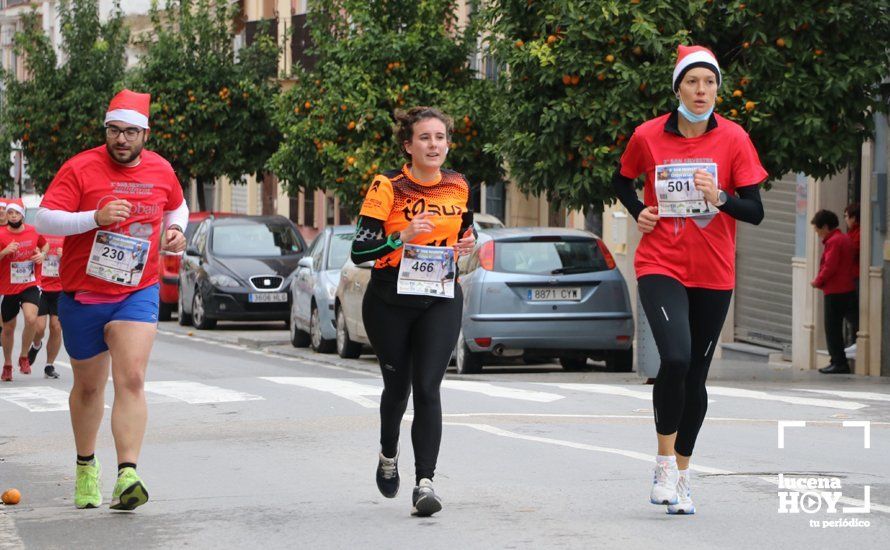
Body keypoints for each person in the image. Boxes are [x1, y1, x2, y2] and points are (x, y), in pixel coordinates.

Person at [613, 45, 767, 515]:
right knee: (675, 358)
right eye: (693, 82)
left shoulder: (735, 139)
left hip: (714, 271)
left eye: (710, 83)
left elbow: (755, 211)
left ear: (719, 88)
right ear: (677, 87)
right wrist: (639, 212)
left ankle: (682, 474)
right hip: (661, 263)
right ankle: (661, 465)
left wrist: (720, 195)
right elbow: (622, 180)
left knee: (697, 376)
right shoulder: (648, 135)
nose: (702, 91)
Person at [34, 89, 188, 511]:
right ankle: (86, 466)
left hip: (137, 290)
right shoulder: (80, 168)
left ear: (145, 134)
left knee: (133, 378)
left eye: (130, 132)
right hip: (82, 294)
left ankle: (127, 474)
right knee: (88, 387)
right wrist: (93, 218)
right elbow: (45, 216)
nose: (121, 139)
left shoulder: (161, 169)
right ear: (106, 129)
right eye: (114, 130)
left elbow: (178, 207)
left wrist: (176, 232)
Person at [351, 106, 475, 517]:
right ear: (408, 145)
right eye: (424, 137)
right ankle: (389, 453)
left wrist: (466, 246)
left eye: (440, 137)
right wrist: (399, 237)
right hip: (390, 299)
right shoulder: (387, 186)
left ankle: (425, 483)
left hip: (440, 296)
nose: (433, 145)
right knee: (398, 387)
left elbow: (464, 231)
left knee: (427, 387)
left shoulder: (458, 185)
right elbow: (359, 250)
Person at [0, 202, 47, 382]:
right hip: (8, 287)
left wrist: (42, 255)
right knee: (8, 329)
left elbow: (45, 246)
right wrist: (4, 252)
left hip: (30, 283)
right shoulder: (1, 233)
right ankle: (7, 364)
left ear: (22, 215)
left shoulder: (33, 231)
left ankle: (24, 356)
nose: (12, 216)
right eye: (9, 213)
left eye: (16, 213)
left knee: (31, 318)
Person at [810, 209, 857, 374]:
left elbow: (830, 266)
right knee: (840, 325)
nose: (817, 234)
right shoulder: (843, 238)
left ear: (825, 226)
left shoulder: (834, 242)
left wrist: (818, 281)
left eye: (818, 229)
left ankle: (839, 362)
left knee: (832, 328)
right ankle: (837, 360)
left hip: (835, 290)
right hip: (846, 288)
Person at [28, 233, 65, 379]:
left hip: (60, 288)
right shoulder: (39, 235)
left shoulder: (67, 234)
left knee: (56, 327)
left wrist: (65, 256)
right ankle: (36, 345)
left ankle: (49, 365)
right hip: (41, 287)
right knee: (39, 328)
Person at [843, 202, 860, 358]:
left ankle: (858, 341)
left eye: (847, 216)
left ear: (854, 218)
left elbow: (851, 251)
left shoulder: (858, 234)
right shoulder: (851, 233)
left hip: (856, 277)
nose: (845, 219)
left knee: (852, 309)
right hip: (850, 276)